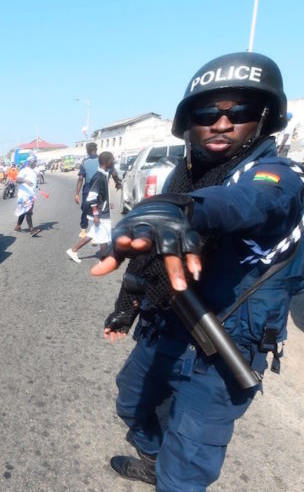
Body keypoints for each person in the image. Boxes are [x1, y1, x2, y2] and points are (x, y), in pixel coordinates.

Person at [91, 52, 304, 490]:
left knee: (185, 471)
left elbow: (251, 203)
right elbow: (152, 257)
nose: (222, 124)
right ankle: (154, 458)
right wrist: (128, 304)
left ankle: (169, 474)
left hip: (221, 347)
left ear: (264, 118)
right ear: (189, 122)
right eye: (208, 113)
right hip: (168, 324)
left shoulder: (275, 173)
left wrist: (183, 209)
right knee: (131, 404)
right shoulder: (182, 176)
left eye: (238, 112)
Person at [66, 151, 115, 263]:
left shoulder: (103, 175)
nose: (113, 163)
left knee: (94, 234)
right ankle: (103, 260)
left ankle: (73, 250)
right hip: (100, 214)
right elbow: (92, 197)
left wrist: (107, 203)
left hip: (101, 211)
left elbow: (99, 196)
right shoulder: (99, 177)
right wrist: (96, 215)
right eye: (112, 161)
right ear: (107, 162)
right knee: (103, 238)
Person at [75, 142, 100, 239]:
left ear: (87, 150)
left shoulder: (84, 162)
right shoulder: (102, 160)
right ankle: (96, 229)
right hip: (100, 186)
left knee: (86, 207)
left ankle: (83, 230)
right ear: (96, 149)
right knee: (99, 207)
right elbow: (112, 173)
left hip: (88, 187)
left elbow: (81, 178)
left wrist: (77, 193)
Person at [13, 156, 41, 236]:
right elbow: (18, 179)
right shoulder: (24, 170)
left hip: (31, 195)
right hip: (24, 195)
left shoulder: (33, 171)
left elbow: (33, 183)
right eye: (35, 162)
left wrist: (36, 188)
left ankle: (17, 227)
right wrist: (25, 181)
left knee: (23, 211)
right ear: (31, 162)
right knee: (29, 211)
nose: (36, 163)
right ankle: (32, 230)